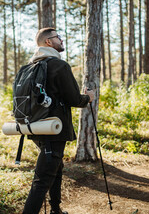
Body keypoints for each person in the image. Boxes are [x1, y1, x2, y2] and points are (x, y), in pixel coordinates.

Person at [22, 27, 94, 214]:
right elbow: (74, 99)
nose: (61, 40)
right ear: (48, 42)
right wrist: (89, 98)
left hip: (35, 127)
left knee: (56, 166)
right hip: (54, 129)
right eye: (58, 37)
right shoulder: (59, 65)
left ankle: (55, 209)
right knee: (42, 180)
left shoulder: (30, 66)